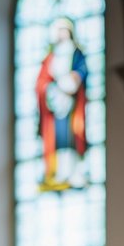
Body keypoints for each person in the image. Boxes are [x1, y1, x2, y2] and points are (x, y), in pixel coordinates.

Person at [35, 16, 88, 190]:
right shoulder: (51, 57)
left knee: (71, 137)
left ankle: (74, 172)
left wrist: (71, 82)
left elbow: (81, 71)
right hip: (56, 104)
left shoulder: (75, 52)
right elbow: (42, 80)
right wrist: (50, 89)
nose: (62, 35)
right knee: (58, 138)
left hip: (71, 104)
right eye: (59, 32)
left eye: (65, 31)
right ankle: (58, 172)